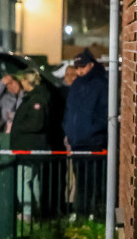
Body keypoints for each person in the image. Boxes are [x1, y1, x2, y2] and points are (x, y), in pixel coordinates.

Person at [62, 49, 109, 218]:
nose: (79, 71)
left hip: (94, 141)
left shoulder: (100, 84)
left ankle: (96, 213)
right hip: (78, 141)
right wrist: (68, 129)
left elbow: (104, 112)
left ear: (91, 65)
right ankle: (82, 213)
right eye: (77, 67)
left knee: (94, 180)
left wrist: (95, 129)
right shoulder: (77, 84)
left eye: (82, 67)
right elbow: (70, 110)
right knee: (81, 181)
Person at [9, 70, 51, 224]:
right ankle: (36, 212)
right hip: (30, 148)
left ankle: (27, 213)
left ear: (28, 82)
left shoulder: (36, 99)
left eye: (23, 81)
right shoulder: (34, 98)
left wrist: (18, 127)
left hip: (29, 148)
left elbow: (36, 123)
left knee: (24, 180)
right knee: (33, 181)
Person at [0, 73, 24, 147]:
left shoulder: (25, 95)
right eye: (7, 85)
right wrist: (1, 83)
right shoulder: (5, 97)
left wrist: (21, 93)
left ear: (18, 82)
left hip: (20, 132)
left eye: (11, 83)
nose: (10, 86)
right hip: (5, 132)